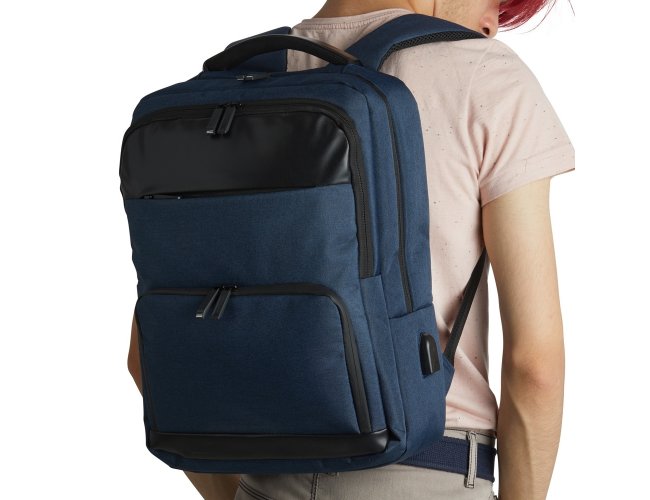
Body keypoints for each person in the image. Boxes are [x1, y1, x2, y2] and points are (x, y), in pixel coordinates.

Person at [127, 0, 574, 498]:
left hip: (264, 481)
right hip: (428, 473)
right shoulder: (484, 75)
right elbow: (535, 366)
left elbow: (147, 357)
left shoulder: (231, 84)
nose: (492, 23)